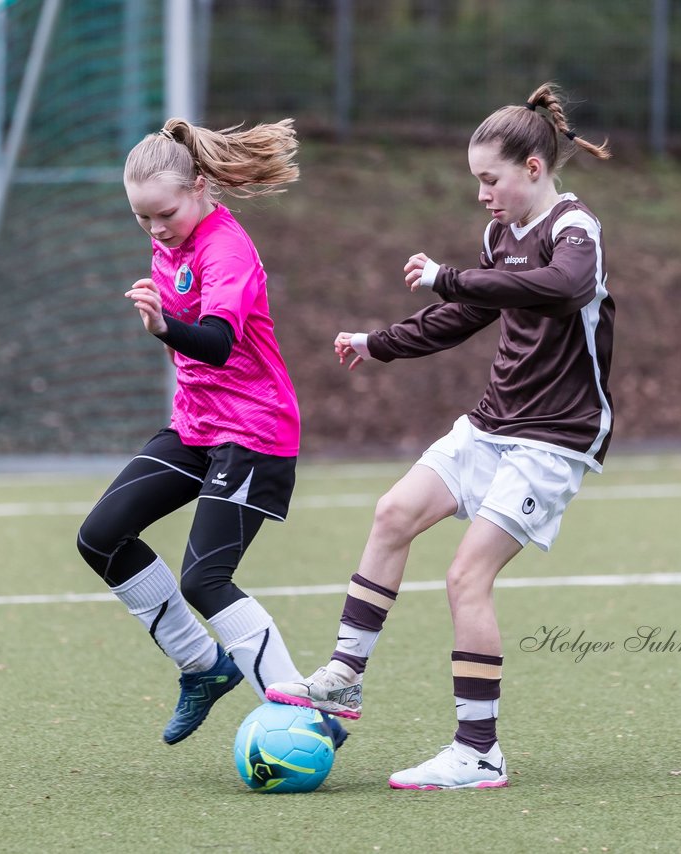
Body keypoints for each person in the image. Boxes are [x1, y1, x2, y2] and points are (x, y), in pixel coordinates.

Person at [266, 82, 614, 789]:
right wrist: (378, 342)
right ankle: (343, 678)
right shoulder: (499, 235)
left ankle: (478, 751)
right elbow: (468, 313)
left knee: (466, 577)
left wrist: (450, 278)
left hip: (554, 438)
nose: (483, 194)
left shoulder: (575, 231)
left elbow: (561, 288)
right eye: (477, 182)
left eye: (491, 180)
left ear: (534, 170)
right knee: (394, 512)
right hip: (492, 424)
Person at [76, 117, 345, 750]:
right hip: (197, 425)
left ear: (200, 186)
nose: (155, 229)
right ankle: (202, 666)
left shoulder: (225, 248)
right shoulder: (171, 235)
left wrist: (164, 327)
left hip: (254, 428)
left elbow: (220, 343)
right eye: (142, 219)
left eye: (164, 214)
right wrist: (167, 319)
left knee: (204, 579)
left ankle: (309, 716)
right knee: (101, 538)